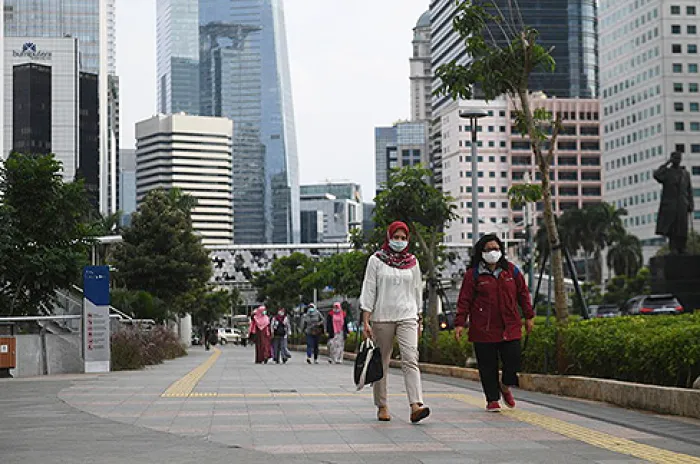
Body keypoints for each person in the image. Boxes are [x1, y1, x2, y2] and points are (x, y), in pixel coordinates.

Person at [359, 221, 430, 423]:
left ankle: (416, 404)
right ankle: (382, 405)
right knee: (382, 362)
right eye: (395, 237)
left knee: (410, 358)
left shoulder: (413, 262)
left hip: (408, 316)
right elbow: (369, 288)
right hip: (382, 317)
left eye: (403, 238)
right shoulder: (376, 260)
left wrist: (419, 318)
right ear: (389, 237)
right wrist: (366, 320)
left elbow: (418, 290)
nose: (399, 241)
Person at [455, 234, 535, 412]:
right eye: (489, 249)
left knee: (513, 361)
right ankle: (492, 398)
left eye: (496, 249)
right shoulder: (473, 275)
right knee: (487, 366)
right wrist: (460, 323)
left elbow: (523, 294)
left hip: (510, 325)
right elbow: (464, 300)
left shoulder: (512, 272)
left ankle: (505, 385)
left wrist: (529, 316)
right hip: (483, 328)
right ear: (481, 252)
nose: (493, 252)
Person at [654, 151, 694, 254]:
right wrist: (667, 163)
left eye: (679, 158)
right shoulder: (667, 172)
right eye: (675, 158)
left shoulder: (685, 173)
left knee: (682, 228)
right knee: (672, 228)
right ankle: (674, 248)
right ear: (672, 159)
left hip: (682, 204)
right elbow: (656, 175)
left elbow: (689, 190)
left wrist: (691, 203)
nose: (677, 160)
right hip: (670, 205)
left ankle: (683, 247)